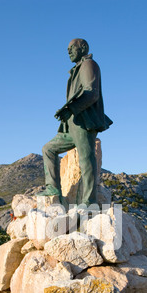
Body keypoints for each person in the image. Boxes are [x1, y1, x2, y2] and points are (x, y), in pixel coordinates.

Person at [37, 38, 113, 206]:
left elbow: (91, 93)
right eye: (68, 49)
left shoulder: (89, 65)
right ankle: (53, 188)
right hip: (71, 124)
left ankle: (89, 201)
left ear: (83, 48)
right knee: (48, 149)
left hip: (83, 121)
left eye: (72, 48)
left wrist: (71, 108)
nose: (69, 51)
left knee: (86, 159)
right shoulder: (76, 69)